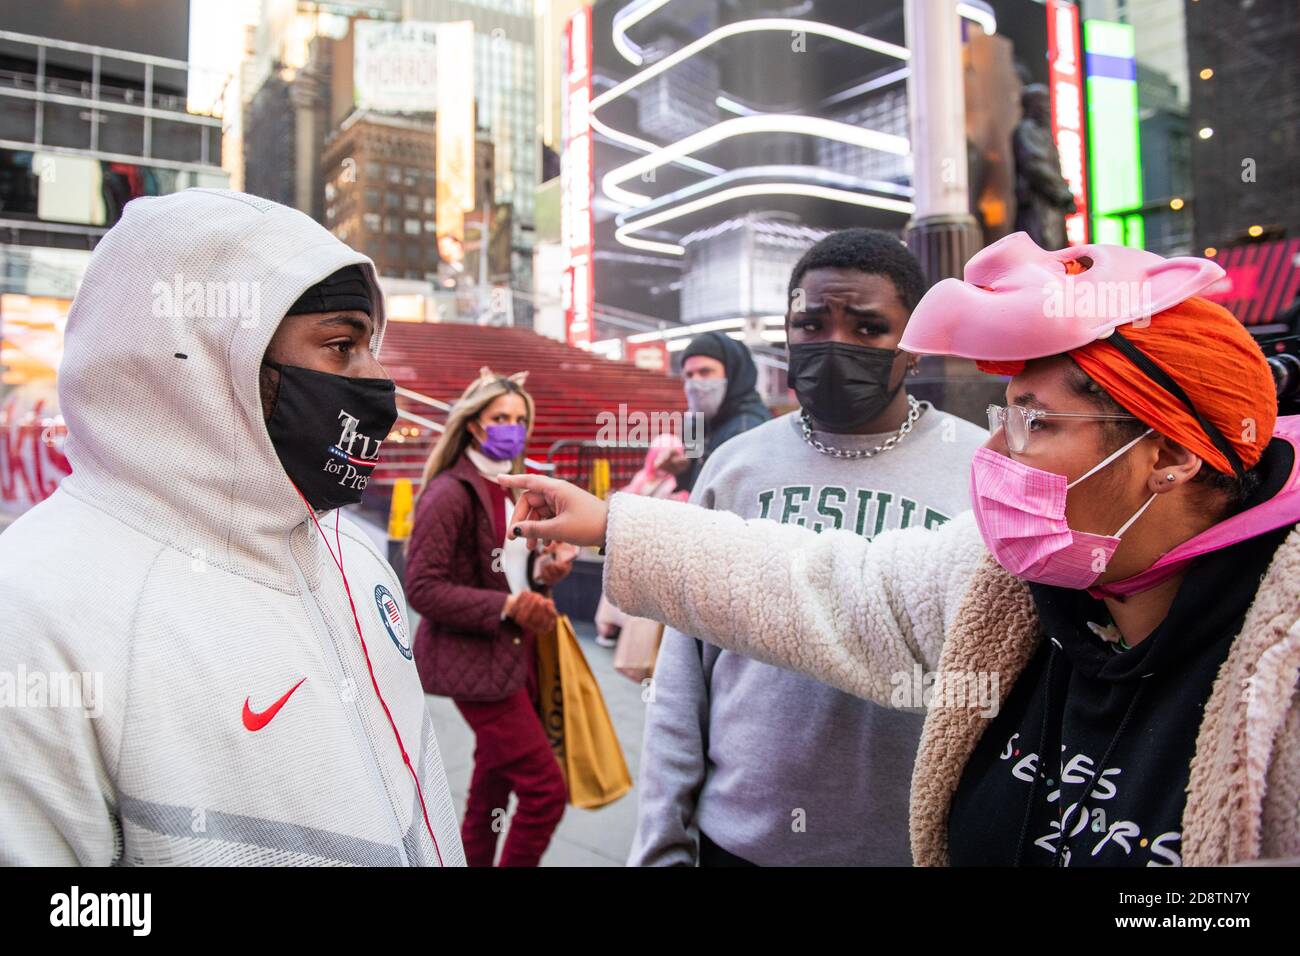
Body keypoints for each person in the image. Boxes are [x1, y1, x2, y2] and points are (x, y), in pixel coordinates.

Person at [502, 231, 1300, 866]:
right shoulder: (1000, 576)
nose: (1001, 456)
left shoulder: (1278, 652)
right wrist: (617, 525)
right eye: (1005, 415)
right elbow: (821, 587)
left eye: (1038, 423)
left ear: (1170, 454)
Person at [0, 188, 464, 866]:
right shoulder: (35, 607)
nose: (377, 385)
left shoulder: (355, 555)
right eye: (340, 346)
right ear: (212, 356)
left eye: (371, 346)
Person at [629, 229, 988, 867]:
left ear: (914, 347)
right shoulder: (736, 466)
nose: (834, 344)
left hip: (916, 848)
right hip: (740, 840)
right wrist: (661, 843)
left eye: (869, 328)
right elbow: (682, 678)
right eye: (811, 324)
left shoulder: (981, 468)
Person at [406, 369, 572, 867]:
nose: (512, 428)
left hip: (514, 655)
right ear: (474, 425)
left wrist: (545, 571)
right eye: (501, 418)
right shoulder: (451, 493)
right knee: (545, 793)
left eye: (520, 419)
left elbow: (512, 574)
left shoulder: (510, 489)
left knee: (491, 791)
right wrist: (505, 607)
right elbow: (422, 587)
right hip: (477, 663)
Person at [593, 432, 689, 648]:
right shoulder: (652, 479)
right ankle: (618, 632)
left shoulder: (667, 482)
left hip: (645, 544)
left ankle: (624, 635)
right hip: (642, 543)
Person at [659, 331, 770, 494]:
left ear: (732, 373)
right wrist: (681, 468)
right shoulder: (696, 422)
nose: (695, 382)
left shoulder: (747, 427)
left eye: (705, 372)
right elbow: (693, 486)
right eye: (689, 375)